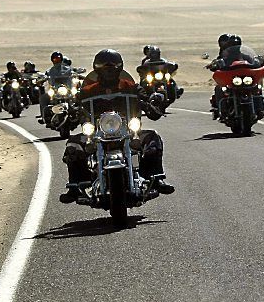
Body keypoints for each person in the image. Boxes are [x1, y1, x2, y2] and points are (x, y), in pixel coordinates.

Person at [59, 49, 175, 203]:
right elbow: (76, 104)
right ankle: (75, 185)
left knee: (153, 139)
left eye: (112, 66)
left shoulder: (129, 86)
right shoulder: (88, 90)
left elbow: (146, 98)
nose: (108, 70)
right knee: (73, 145)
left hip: (128, 130)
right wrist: (72, 111)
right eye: (104, 66)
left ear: (119, 68)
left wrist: (152, 103)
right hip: (96, 133)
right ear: (97, 68)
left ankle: (156, 178)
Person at [40, 51, 73, 124]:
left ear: (61, 59)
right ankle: (44, 117)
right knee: (43, 98)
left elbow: (73, 73)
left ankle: (86, 116)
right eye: (55, 59)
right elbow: (45, 77)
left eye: (58, 59)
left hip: (67, 89)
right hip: (55, 90)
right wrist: (42, 79)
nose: (57, 61)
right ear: (52, 60)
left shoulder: (68, 69)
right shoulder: (50, 71)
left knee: (79, 96)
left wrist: (77, 74)